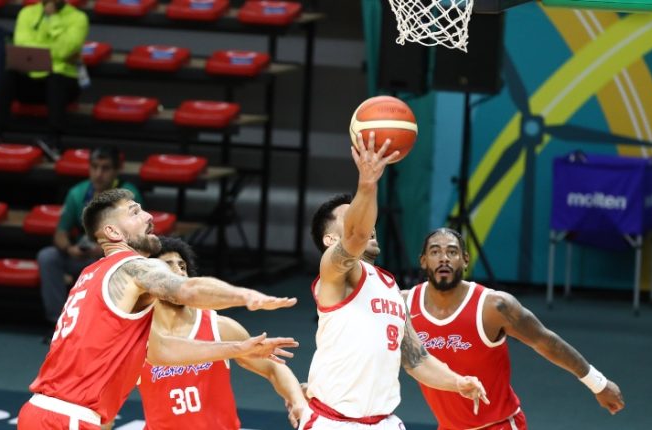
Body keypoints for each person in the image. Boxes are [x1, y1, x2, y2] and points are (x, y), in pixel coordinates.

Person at [17, 188, 299, 429]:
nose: (148, 216)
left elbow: (159, 351)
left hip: (40, 412)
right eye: (134, 212)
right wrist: (246, 295)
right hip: (69, 418)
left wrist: (238, 348)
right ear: (113, 231)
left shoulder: (90, 275)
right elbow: (187, 290)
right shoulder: (132, 267)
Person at [301, 133, 488, 430]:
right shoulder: (333, 273)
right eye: (352, 218)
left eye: (364, 217)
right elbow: (356, 236)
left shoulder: (392, 290)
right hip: (334, 422)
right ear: (330, 240)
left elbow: (416, 360)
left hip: (384, 422)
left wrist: (457, 382)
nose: (366, 224)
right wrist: (368, 183)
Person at [404, 227, 625, 429]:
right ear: (423, 261)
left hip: (499, 425)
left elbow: (546, 341)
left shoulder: (494, 306)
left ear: (465, 260)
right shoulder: (403, 305)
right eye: (435, 252)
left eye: (452, 252)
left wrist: (598, 383)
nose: (444, 258)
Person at [136, 236, 307, 429]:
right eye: (168, 266)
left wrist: (297, 401)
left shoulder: (219, 327)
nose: (179, 271)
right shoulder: (137, 337)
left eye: (182, 266)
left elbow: (273, 368)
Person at [37, 147, 141, 328]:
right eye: (94, 167)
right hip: (83, 255)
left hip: (113, 259)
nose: (98, 174)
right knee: (48, 257)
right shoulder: (77, 193)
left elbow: (136, 238)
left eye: (105, 168)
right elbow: (60, 233)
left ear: (117, 170)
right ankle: (59, 324)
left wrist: (105, 249)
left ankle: (96, 326)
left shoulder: (129, 196)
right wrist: (69, 248)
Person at [0, 0, 88, 141]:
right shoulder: (27, 13)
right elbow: (23, 46)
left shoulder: (78, 18)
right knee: (9, 75)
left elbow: (64, 50)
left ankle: (54, 140)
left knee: (56, 78)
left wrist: (53, 18)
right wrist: (53, 51)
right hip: (31, 80)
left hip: (64, 84)